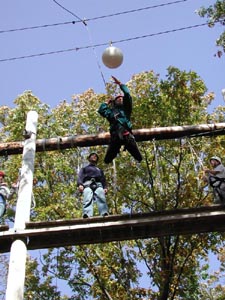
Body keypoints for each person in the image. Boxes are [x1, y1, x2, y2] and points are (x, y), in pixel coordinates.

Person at [98, 76, 142, 164]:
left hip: (126, 135)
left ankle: (137, 157)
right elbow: (101, 110)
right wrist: (107, 102)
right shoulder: (111, 112)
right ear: (115, 102)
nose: (120, 99)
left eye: (121, 98)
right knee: (107, 160)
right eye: (118, 98)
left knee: (138, 157)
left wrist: (120, 84)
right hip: (115, 136)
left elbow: (127, 94)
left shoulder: (126, 109)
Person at [77, 152, 109, 218]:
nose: (94, 156)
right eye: (92, 156)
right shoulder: (84, 169)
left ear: (97, 160)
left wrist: (105, 187)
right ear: (89, 159)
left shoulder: (99, 170)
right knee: (87, 196)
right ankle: (87, 214)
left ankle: (104, 213)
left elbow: (103, 179)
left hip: (98, 184)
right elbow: (80, 176)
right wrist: (80, 184)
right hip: (87, 184)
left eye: (95, 156)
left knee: (101, 196)